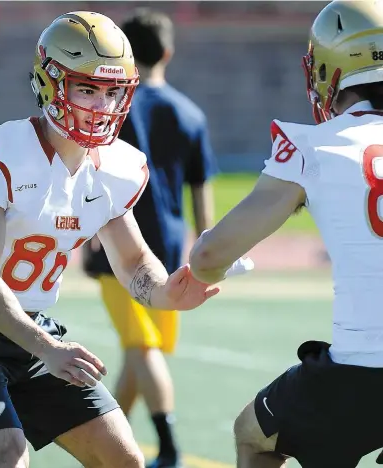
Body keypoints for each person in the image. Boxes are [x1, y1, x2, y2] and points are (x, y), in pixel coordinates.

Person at [0, 11, 247, 467]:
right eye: (86, 88)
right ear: (51, 85)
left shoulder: (118, 166)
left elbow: (132, 261)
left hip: (33, 331)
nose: (101, 105)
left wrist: (167, 292)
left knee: (124, 459)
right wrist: (47, 348)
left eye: (113, 92)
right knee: (7, 454)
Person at [189, 1, 383, 466]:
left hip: (363, 371)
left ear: (328, 69)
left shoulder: (314, 146)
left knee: (252, 436)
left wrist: (210, 261)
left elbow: (209, 256)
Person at [82, 8, 218, 468]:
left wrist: (86, 239)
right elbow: (202, 189)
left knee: (142, 350)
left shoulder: (115, 105)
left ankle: (169, 446)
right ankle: (111, 440)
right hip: (173, 247)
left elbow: (91, 172)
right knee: (140, 351)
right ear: (169, 52)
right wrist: (208, 250)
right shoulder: (191, 113)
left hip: (121, 247)